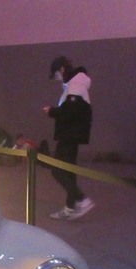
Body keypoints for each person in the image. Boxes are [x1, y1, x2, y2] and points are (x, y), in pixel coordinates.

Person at [43, 56, 95, 220]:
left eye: (56, 74)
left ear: (62, 69)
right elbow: (72, 110)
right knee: (68, 171)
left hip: (69, 136)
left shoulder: (75, 85)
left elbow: (70, 112)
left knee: (57, 170)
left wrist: (51, 111)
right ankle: (70, 207)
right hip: (71, 135)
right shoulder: (75, 84)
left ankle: (82, 199)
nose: (56, 78)